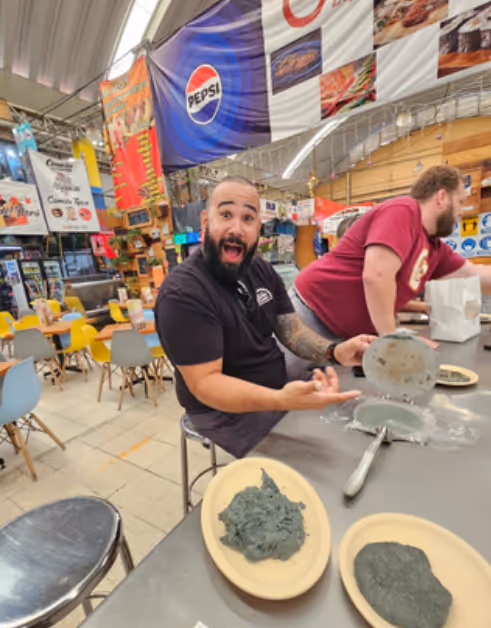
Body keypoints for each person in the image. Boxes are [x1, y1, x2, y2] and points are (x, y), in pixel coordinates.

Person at [155, 176, 374, 458]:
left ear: (258, 229)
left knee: (353, 419)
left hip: (274, 382)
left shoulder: (259, 269)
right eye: (225, 214)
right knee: (311, 461)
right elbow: (206, 384)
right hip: (220, 410)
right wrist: (279, 400)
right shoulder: (184, 294)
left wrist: (335, 351)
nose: (236, 228)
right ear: (205, 222)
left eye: (247, 218)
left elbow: (290, 329)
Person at [293, 165, 491, 339]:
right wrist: (390, 339)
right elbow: (377, 276)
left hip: (343, 333)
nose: (461, 211)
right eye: (460, 202)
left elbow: (475, 275)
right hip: (309, 316)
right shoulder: (404, 211)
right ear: (441, 197)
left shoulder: (435, 248)